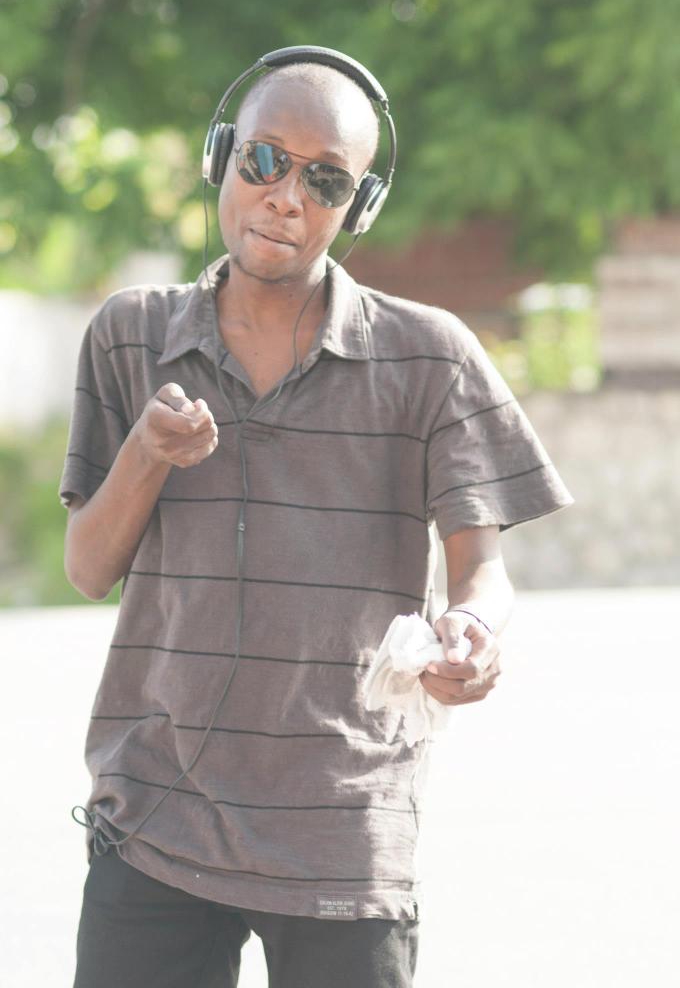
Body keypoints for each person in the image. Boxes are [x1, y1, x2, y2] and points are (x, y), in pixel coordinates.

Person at [59, 48, 574, 988]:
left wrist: (473, 629)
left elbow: (481, 569)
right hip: (154, 822)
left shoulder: (431, 356)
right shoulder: (130, 334)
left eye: (325, 179)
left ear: (359, 204)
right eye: (263, 160)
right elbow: (88, 570)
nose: (285, 197)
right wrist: (146, 452)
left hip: (344, 829)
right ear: (221, 156)